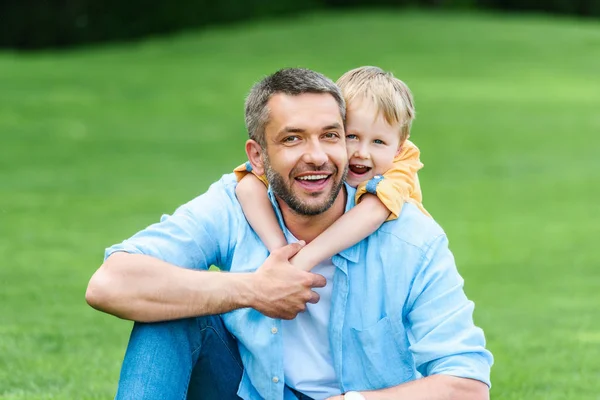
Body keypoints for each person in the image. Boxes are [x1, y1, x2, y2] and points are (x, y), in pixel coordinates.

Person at [86, 67, 493, 400]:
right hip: (250, 391)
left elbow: (468, 385)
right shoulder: (235, 201)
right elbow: (109, 284)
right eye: (293, 139)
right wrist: (253, 289)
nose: (316, 156)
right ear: (258, 156)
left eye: (331, 135)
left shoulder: (411, 238)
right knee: (169, 311)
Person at [234, 66, 430, 272]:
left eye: (378, 141)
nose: (362, 153)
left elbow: (372, 212)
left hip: (387, 260)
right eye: (351, 136)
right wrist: (281, 251)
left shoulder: (402, 165)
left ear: (398, 148)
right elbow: (248, 186)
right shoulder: (321, 156)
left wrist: (302, 262)